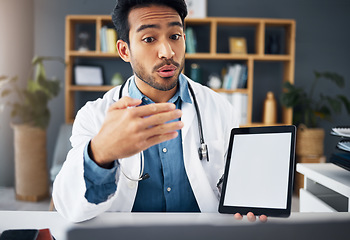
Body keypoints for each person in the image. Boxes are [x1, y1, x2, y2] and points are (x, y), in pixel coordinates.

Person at [53, 0, 267, 223]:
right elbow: (69, 207)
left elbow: (232, 188)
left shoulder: (220, 109)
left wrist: (248, 203)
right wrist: (100, 152)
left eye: (174, 36)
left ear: (184, 40)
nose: (167, 52)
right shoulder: (94, 116)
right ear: (124, 50)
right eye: (149, 39)